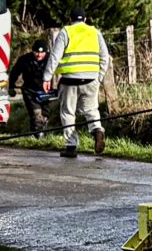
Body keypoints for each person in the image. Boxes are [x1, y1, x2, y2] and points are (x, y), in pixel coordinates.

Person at [43, 15, 111, 158]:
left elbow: (55, 57)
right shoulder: (95, 32)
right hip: (91, 79)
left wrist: (47, 77)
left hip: (70, 80)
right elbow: (105, 56)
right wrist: (99, 77)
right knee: (91, 109)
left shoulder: (66, 32)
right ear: (85, 19)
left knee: (68, 112)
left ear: (69, 18)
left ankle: (71, 146)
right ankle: (97, 130)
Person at [8, 23, 51, 136]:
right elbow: (15, 72)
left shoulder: (51, 60)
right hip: (29, 90)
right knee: (35, 112)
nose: (39, 54)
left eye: (42, 52)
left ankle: (39, 133)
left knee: (45, 114)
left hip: (45, 90)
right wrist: (11, 86)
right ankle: (37, 133)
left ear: (46, 52)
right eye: (36, 52)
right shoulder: (25, 59)